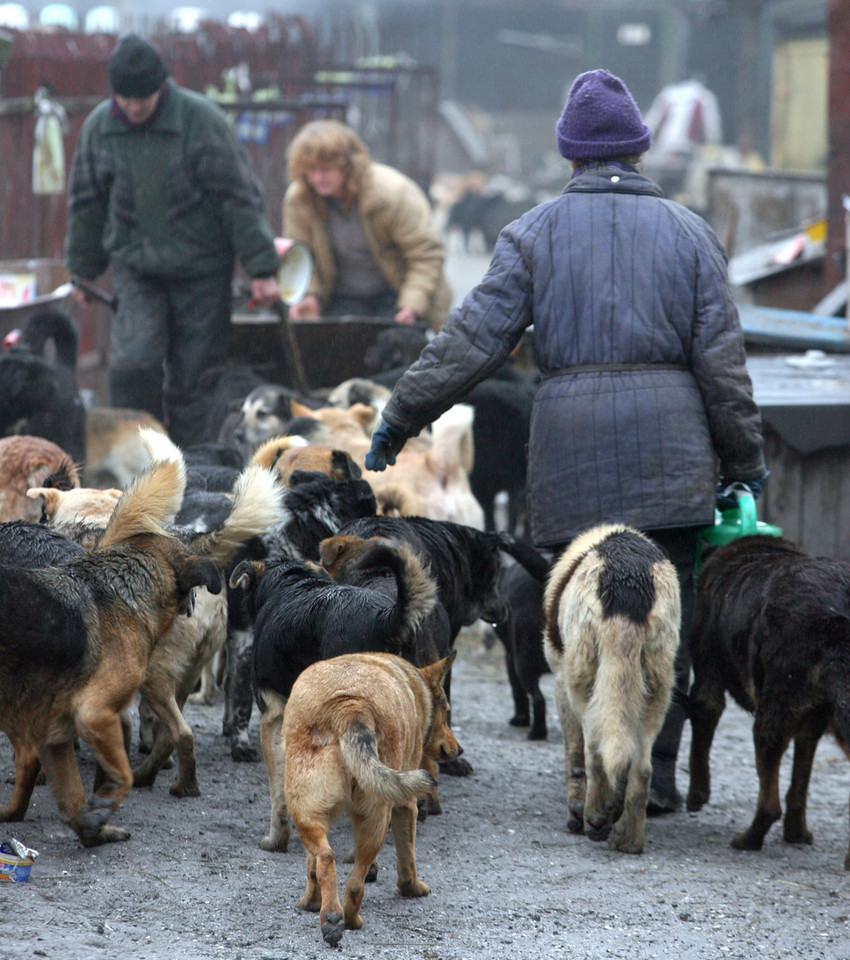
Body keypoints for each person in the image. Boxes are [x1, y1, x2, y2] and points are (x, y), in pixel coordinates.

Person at [365, 68, 768, 814]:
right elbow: (723, 366)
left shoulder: (532, 234)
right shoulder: (691, 234)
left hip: (570, 462)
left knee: (582, 615)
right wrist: (745, 462)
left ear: (569, 154)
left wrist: (400, 414)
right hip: (671, 460)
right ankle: (658, 772)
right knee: (658, 623)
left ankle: (592, 776)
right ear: (640, 150)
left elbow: (471, 342)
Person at [65, 34, 281, 447]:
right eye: (124, 98)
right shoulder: (100, 128)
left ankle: (195, 464)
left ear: (161, 88)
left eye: (141, 99)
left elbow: (239, 198)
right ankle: (141, 455)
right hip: (137, 268)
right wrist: (82, 270)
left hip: (201, 269)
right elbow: (86, 202)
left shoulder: (200, 122)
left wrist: (262, 268)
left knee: (194, 377)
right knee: (132, 364)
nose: (132, 107)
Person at [283, 119, 452, 331]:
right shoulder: (300, 199)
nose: (318, 177)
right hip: (341, 297)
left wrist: (411, 306)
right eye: (312, 169)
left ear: (347, 165)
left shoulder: (392, 194)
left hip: (396, 293)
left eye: (326, 169)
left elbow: (425, 256)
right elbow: (301, 257)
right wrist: (311, 295)